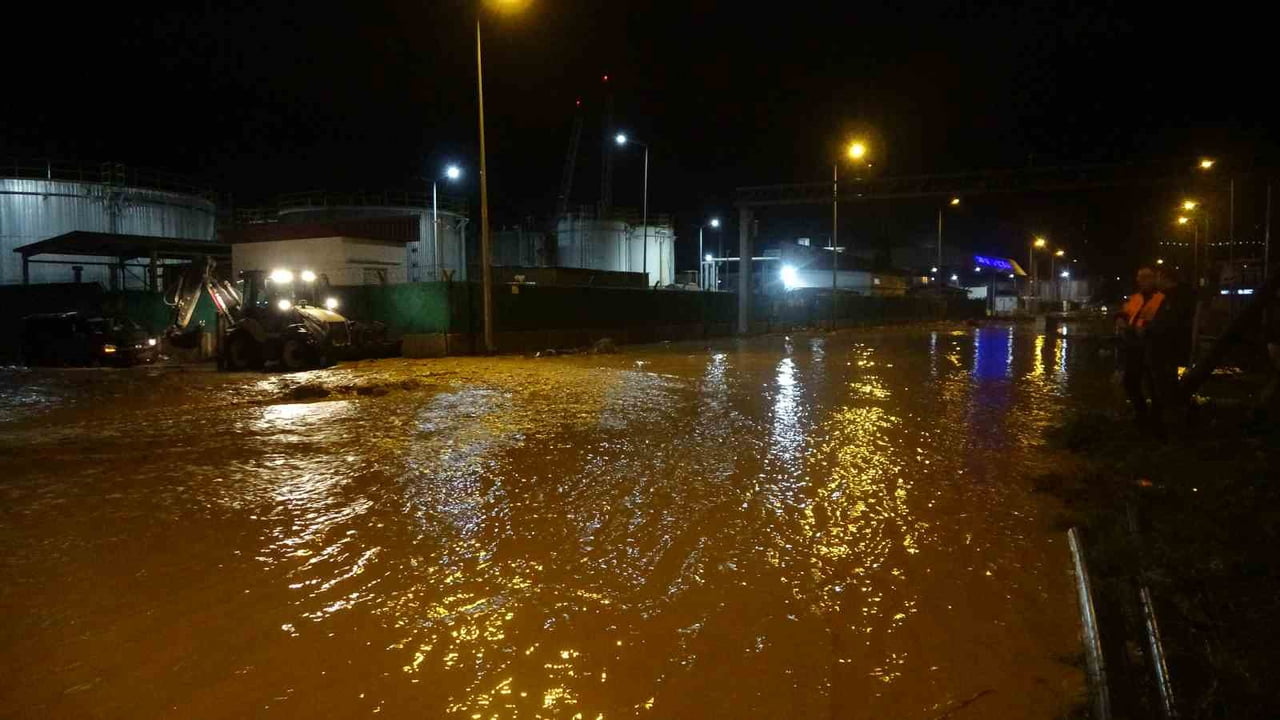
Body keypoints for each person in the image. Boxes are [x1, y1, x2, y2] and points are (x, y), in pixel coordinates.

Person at [1116, 267, 1165, 427]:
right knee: (1130, 381)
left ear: (1153, 279)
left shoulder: (1161, 298)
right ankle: (1141, 413)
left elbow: (1163, 321)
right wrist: (1119, 319)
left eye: (1145, 277)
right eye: (1139, 277)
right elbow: (1124, 312)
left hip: (1151, 345)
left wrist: (1146, 329)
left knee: (1153, 383)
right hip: (1133, 344)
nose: (1141, 281)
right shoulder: (1135, 298)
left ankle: (1155, 419)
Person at [1148, 266, 1196, 423]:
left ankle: (1171, 417)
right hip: (1173, 347)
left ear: (1164, 277)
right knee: (1168, 382)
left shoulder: (1171, 298)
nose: (1155, 281)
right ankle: (1172, 415)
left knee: (1166, 384)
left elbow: (1166, 323)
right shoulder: (1182, 295)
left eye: (1157, 277)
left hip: (1167, 348)